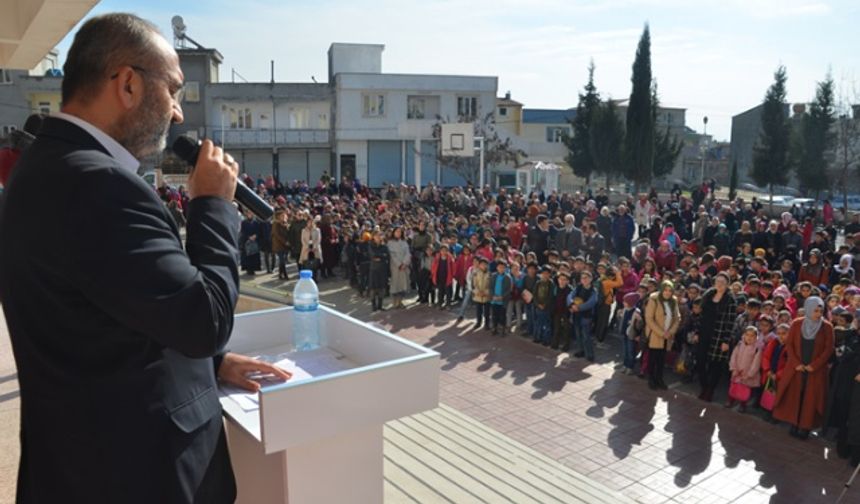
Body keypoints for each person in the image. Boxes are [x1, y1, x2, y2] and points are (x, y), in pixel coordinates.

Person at [0, 13, 290, 503]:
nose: (177, 112)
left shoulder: (41, 168)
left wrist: (212, 365)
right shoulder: (101, 186)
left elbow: (108, 310)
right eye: (173, 89)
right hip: (138, 476)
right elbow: (204, 320)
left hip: (77, 463)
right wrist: (213, 204)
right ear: (128, 84)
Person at [773, 296, 835, 440]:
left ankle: (805, 426)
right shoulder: (797, 324)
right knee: (796, 394)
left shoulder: (827, 327)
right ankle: (794, 423)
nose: (818, 313)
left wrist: (814, 365)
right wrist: (796, 363)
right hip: (797, 368)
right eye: (815, 310)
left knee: (811, 398)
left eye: (820, 310)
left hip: (815, 371)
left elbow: (828, 349)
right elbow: (790, 345)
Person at [697, 272, 738, 402]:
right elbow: (701, 316)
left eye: (722, 282)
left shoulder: (730, 300)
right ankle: (704, 386)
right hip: (704, 333)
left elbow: (730, 322)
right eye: (717, 281)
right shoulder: (708, 295)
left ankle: (710, 390)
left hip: (719, 336)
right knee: (700, 362)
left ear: (727, 285)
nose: (719, 284)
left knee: (715, 365)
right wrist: (697, 332)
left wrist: (726, 340)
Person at [644, 280, 681, 390]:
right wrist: (661, 333)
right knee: (653, 358)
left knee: (661, 359)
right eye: (665, 290)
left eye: (670, 290)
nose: (667, 293)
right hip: (655, 335)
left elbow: (677, 318)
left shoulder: (673, 300)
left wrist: (670, 332)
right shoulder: (654, 299)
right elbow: (649, 319)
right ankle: (651, 379)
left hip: (667, 336)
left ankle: (659, 378)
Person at [726, 326, 763, 412]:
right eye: (747, 335)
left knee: (745, 390)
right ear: (744, 335)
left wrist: (749, 374)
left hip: (747, 374)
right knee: (733, 386)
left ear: (756, 337)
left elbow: (756, 363)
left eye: (752, 336)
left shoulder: (757, 349)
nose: (749, 338)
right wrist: (733, 368)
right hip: (737, 371)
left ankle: (743, 405)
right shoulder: (739, 345)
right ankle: (730, 400)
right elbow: (733, 356)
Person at [570, 270, 599, 361]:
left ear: (591, 279)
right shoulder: (578, 287)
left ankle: (590, 354)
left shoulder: (593, 291)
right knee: (578, 334)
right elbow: (570, 296)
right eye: (582, 278)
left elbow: (591, 303)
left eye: (586, 278)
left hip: (586, 316)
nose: (584, 280)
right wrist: (571, 304)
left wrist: (579, 307)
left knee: (586, 335)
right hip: (576, 315)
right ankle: (580, 350)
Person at [387, 226, 410, 309]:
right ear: (394, 232)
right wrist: (399, 264)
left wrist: (404, 263)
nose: (398, 233)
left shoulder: (404, 242)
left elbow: (408, 253)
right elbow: (392, 255)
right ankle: (395, 302)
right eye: (397, 231)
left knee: (402, 285)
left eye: (400, 232)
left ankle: (400, 302)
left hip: (404, 267)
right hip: (395, 267)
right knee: (395, 284)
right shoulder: (390, 243)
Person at [367, 230, 390, 312]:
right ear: (373, 237)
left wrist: (380, 256)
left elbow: (387, 256)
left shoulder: (384, 246)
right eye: (376, 235)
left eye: (380, 235)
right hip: (374, 269)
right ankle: (373, 305)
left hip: (383, 270)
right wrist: (381, 256)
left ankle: (380, 305)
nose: (378, 237)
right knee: (373, 288)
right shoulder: (370, 245)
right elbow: (373, 255)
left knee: (382, 288)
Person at [489, 259, 513, 335]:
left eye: (503, 267)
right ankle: (494, 328)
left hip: (503, 301)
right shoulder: (493, 276)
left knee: (502, 315)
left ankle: (503, 329)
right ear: (497, 267)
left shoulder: (508, 277)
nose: (501, 269)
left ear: (505, 268)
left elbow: (508, 290)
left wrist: (502, 297)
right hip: (494, 299)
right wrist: (493, 296)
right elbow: (490, 287)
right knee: (494, 315)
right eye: (500, 267)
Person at [471, 257, 491, 330]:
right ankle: (478, 322)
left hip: (486, 296)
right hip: (478, 295)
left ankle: (487, 324)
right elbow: (474, 284)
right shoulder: (475, 273)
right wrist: (477, 292)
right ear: (479, 265)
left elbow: (491, 285)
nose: (483, 266)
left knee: (487, 312)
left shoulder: (490, 274)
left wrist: (486, 292)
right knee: (478, 311)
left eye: (485, 264)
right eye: (482, 264)